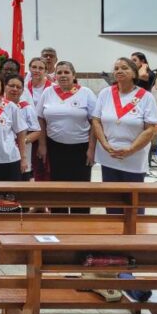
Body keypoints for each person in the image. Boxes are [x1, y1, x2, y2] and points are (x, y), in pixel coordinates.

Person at [92, 58, 157, 212]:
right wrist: (105, 145)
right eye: (116, 68)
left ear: (134, 73)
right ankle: (114, 232)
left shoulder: (145, 96)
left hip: (134, 157)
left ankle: (134, 234)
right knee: (112, 200)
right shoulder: (105, 93)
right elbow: (96, 121)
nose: (119, 71)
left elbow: (151, 129)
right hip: (109, 154)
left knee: (134, 201)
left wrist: (131, 149)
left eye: (124, 68)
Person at [36, 61, 97, 214]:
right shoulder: (48, 92)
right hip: (55, 147)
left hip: (81, 148)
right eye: (59, 72)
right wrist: (42, 145)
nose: (63, 76)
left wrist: (91, 148)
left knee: (81, 188)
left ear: (73, 75)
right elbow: (40, 119)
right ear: (54, 75)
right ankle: (59, 218)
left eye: (66, 72)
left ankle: (80, 220)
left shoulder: (86, 93)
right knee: (58, 186)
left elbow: (95, 122)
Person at [4, 74, 41, 182]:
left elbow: (37, 131)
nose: (15, 89)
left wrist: (22, 140)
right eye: (11, 86)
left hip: (21, 156)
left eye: (18, 87)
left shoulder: (27, 108)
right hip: (1, 155)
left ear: (22, 90)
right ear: (5, 87)